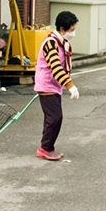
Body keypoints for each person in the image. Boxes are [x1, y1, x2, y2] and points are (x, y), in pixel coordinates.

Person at [34, 11, 80, 161]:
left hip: (54, 85)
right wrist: (70, 85)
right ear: (62, 29)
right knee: (55, 117)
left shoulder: (62, 43)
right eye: (71, 30)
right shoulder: (51, 43)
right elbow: (56, 67)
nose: (73, 33)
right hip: (47, 85)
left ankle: (48, 147)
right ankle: (44, 148)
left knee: (53, 118)